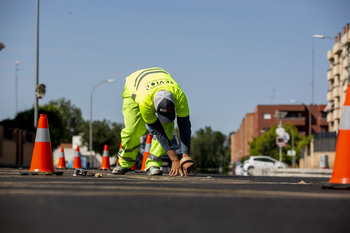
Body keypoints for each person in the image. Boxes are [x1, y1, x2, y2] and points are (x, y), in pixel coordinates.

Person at [112, 67, 194, 176]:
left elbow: (184, 126)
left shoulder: (179, 96)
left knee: (167, 126)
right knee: (133, 130)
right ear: (153, 106)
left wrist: (185, 156)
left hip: (159, 76)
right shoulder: (145, 101)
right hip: (134, 85)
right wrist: (174, 159)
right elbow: (157, 131)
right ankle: (124, 163)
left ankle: (153, 164)